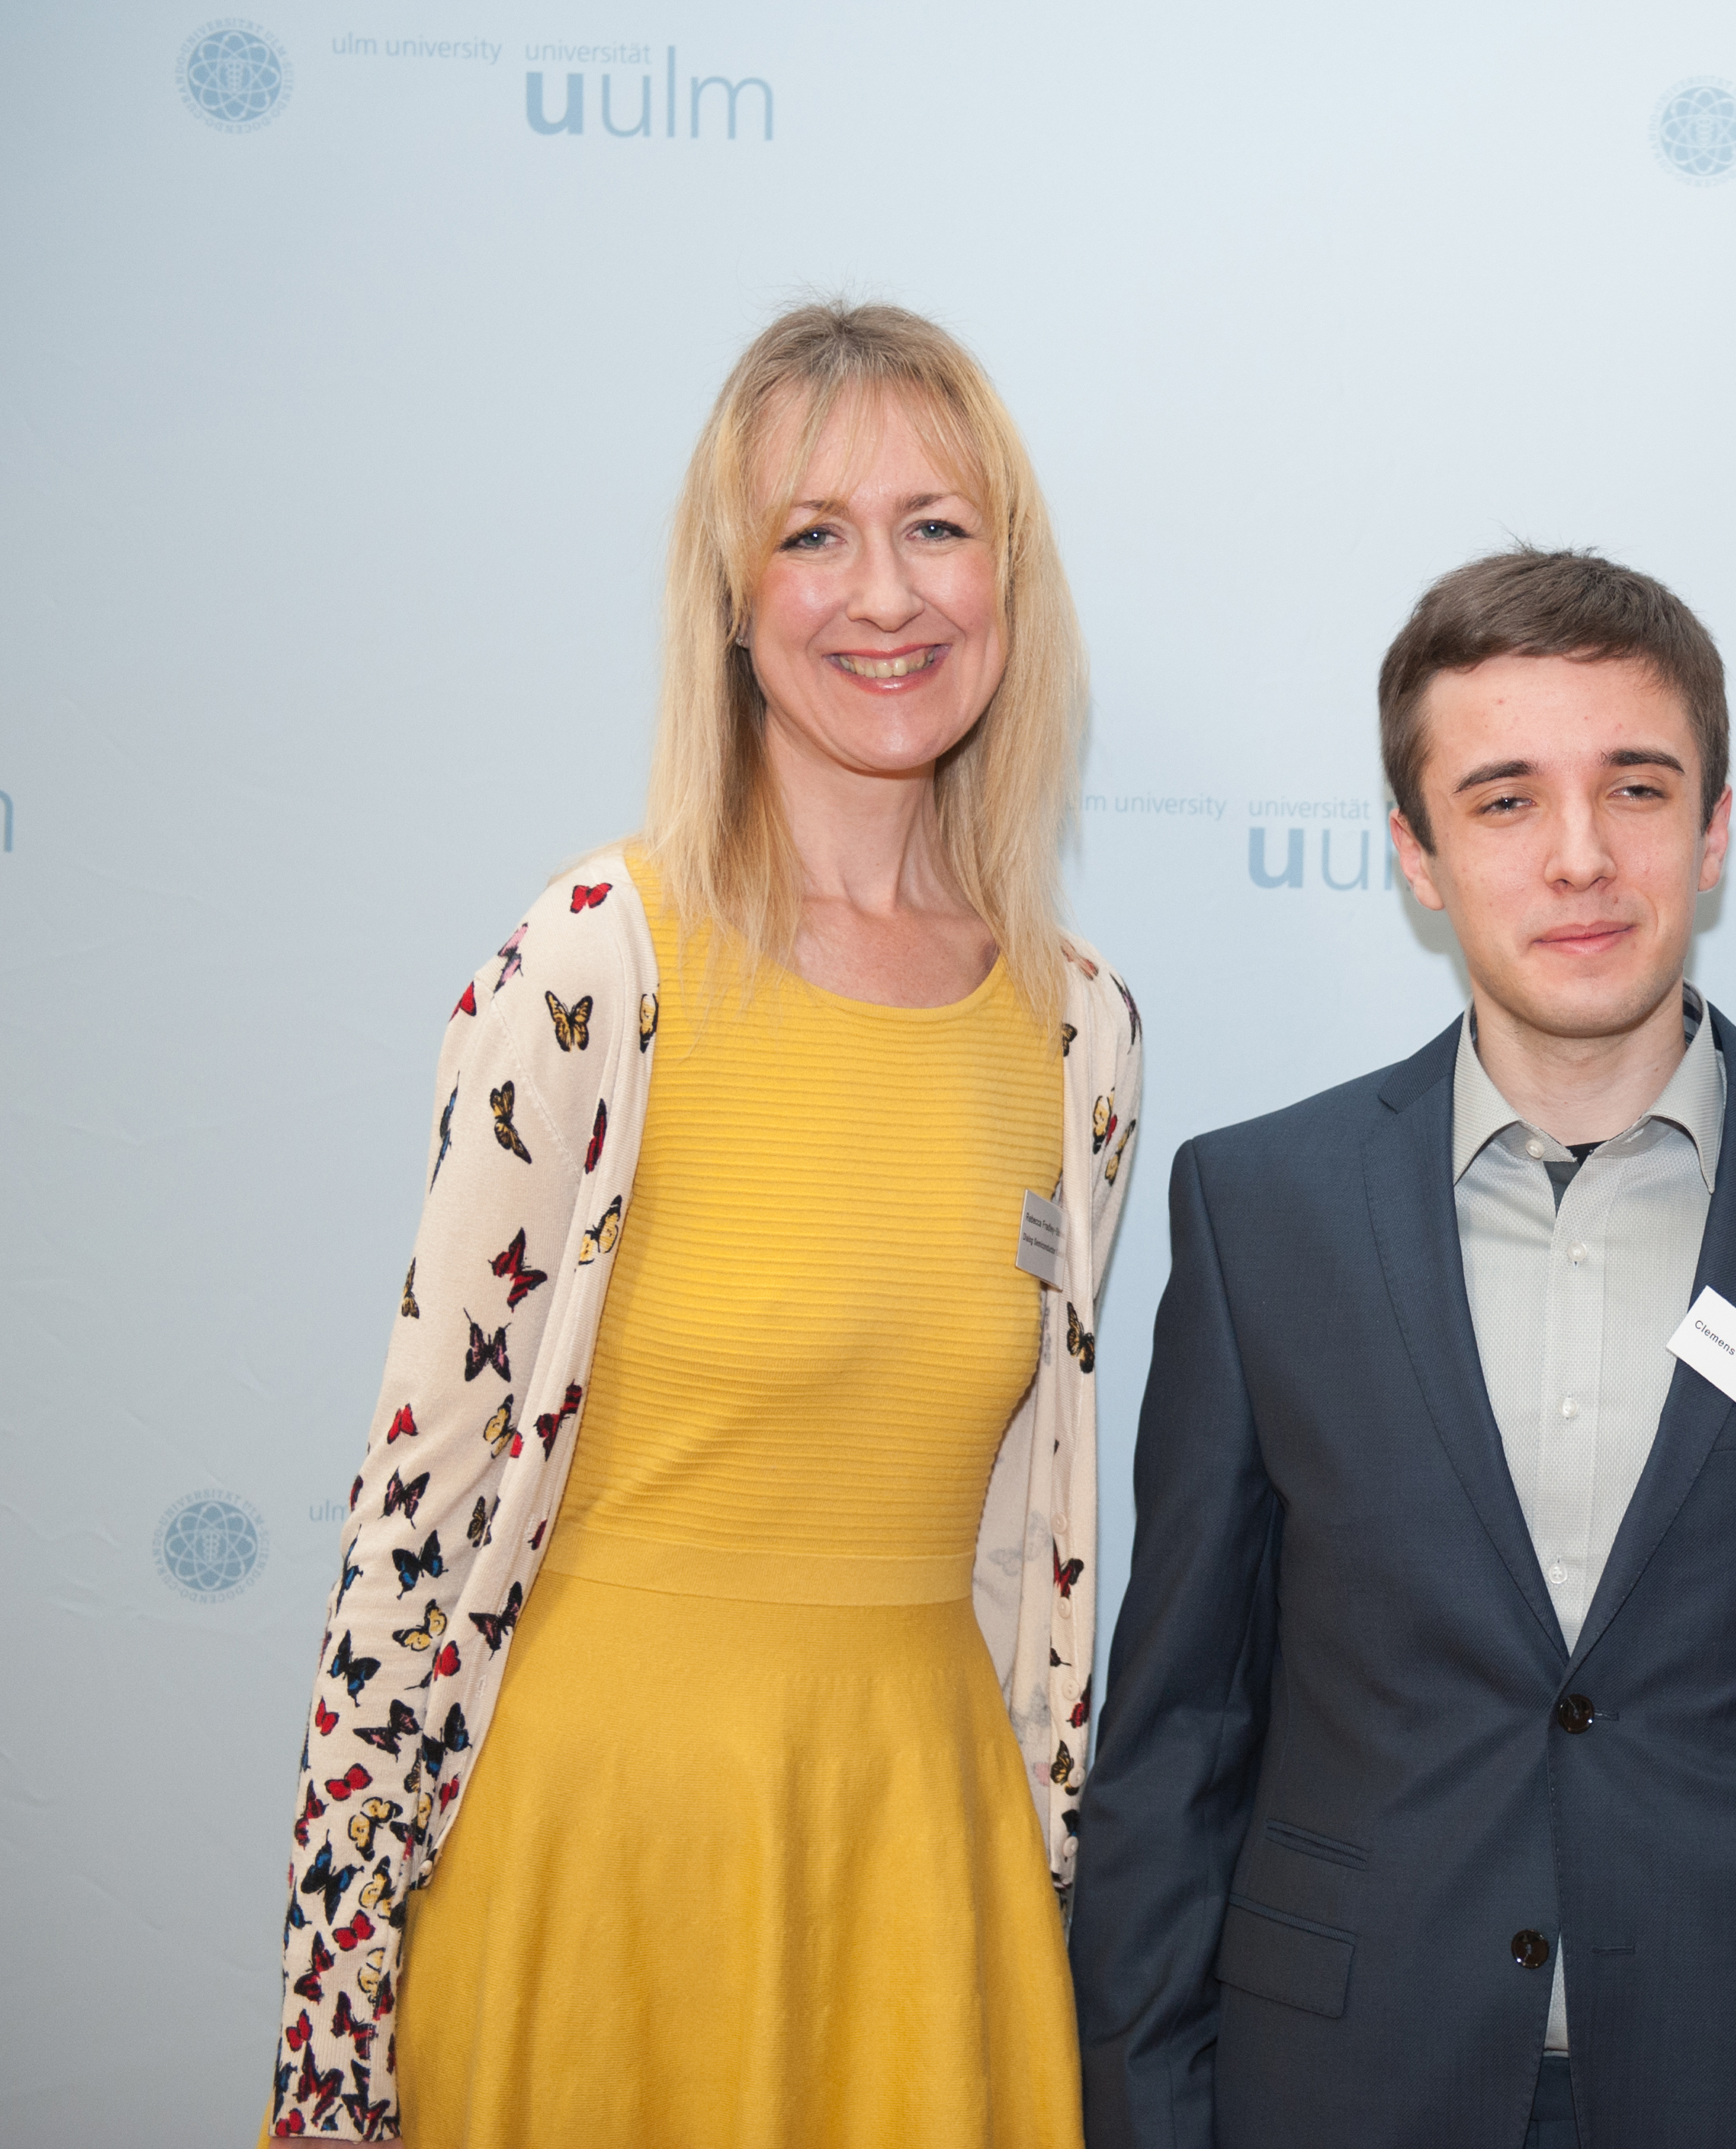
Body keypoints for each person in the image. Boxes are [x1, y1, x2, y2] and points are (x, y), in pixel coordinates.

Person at [259, 302, 1140, 2145]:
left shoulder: (1081, 1033)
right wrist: (331, 2047)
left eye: (937, 525)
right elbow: (409, 1534)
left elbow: (1026, 1546)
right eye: (811, 535)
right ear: (733, 604)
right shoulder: (600, 959)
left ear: (1011, 577)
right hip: (605, 1862)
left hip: (924, 1873)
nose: (882, 592)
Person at [1068, 547, 1736, 2149]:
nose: (1581, 857)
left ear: (1715, 826)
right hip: (1339, 2087)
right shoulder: (1260, 1214)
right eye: (1507, 799)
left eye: (1638, 789)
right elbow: (1180, 1730)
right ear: (1417, 853)